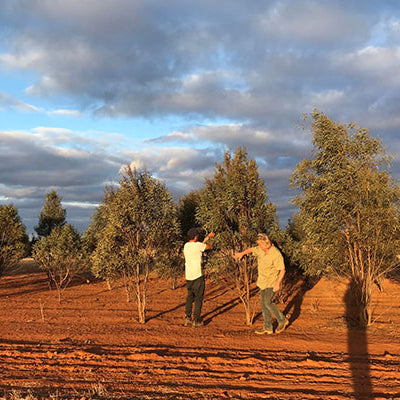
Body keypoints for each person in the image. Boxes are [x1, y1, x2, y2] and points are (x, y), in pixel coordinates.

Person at [234, 233, 289, 335]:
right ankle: (267, 327)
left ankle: (282, 320)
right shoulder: (260, 249)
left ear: (266, 244)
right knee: (263, 305)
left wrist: (277, 284)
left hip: (271, 282)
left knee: (268, 302)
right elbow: (252, 249)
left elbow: (282, 270)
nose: (259, 247)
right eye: (258, 244)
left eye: (260, 244)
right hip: (262, 282)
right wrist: (242, 253)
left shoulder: (276, 254)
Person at [183, 228, 215, 327]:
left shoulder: (186, 246)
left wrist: (207, 237)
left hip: (189, 276)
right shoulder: (198, 246)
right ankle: (196, 320)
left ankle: (187, 318)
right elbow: (209, 247)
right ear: (196, 237)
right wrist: (211, 239)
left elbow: (201, 246)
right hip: (198, 276)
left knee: (190, 297)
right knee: (198, 298)